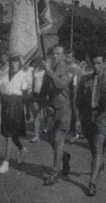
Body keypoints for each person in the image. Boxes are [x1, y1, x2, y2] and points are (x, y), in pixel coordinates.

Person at [42, 45, 79, 186]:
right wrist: (46, 104)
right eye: (53, 54)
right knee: (51, 139)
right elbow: (46, 89)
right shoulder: (50, 70)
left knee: (58, 140)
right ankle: (64, 156)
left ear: (64, 56)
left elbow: (60, 84)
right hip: (52, 110)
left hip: (64, 109)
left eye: (58, 54)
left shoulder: (70, 69)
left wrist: (49, 72)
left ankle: (54, 173)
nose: (55, 56)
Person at [76, 50, 106, 196]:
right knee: (93, 147)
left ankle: (92, 183)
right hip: (87, 117)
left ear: (104, 64)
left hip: (103, 117)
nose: (96, 66)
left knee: (97, 147)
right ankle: (99, 163)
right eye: (94, 63)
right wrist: (77, 119)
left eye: (99, 63)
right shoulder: (85, 79)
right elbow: (78, 101)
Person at [0, 53, 29, 174]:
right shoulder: (4, 74)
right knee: (10, 133)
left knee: (9, 133)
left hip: (16, 104)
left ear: (20, 64)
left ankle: (6, 162)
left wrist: (28, 111)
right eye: (12, 62)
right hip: (6, 103)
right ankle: (21, 149)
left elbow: (25, 95)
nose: (14, 64)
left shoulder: (22, 75)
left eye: (17, 62)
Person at [66, 50, 84, 142]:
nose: (67, 59)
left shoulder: (76, 68)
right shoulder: (66, 67)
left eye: (69, 57)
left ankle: (77, 133)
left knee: (75, 112)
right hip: (67, 92)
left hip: (74, 91)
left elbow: (77, 82)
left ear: (73, 58)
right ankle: (76, 132)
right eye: (67, 57)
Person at [28, 57, 46, 143]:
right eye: (39, 61)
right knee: (36, 114)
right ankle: (36, 135)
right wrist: (31, 92)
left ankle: (46, 130)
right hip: (35, 94)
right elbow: (32, 81)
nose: (40, 63)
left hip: (44, 94)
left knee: (47, 115)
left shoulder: (47, 70)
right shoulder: (36, 69)